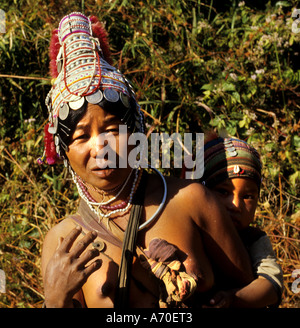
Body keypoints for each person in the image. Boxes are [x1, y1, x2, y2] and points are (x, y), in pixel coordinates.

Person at [40, 12, 254, 308]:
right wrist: (55, 299)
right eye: (80, 137)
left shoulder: (191, 200)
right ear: (63, 150)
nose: (100, 147)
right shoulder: (62, 242)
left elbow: (250, 293)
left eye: (112, 130)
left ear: (136, 129)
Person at [199, 132, 283, 308]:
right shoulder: (192, 230)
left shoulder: (254, 239)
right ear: (201, 193)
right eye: (223, 192)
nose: (235, 205)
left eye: (247, 196)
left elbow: (271, 286)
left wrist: (234, 298)